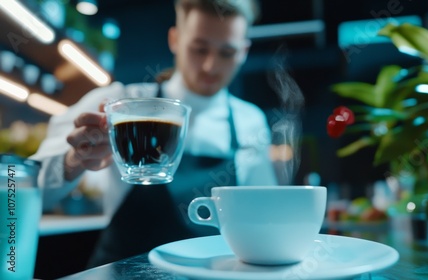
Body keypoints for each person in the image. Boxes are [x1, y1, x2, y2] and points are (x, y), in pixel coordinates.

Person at [31, 0, 278, 267]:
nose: (210, 66)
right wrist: (72, 162)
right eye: (199, 48)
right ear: (175, 39)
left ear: (243, 51)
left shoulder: (250, 121)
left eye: (227, 53)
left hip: (209, 273)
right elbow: (16, 189)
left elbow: (264, 213)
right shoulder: (118, 104)